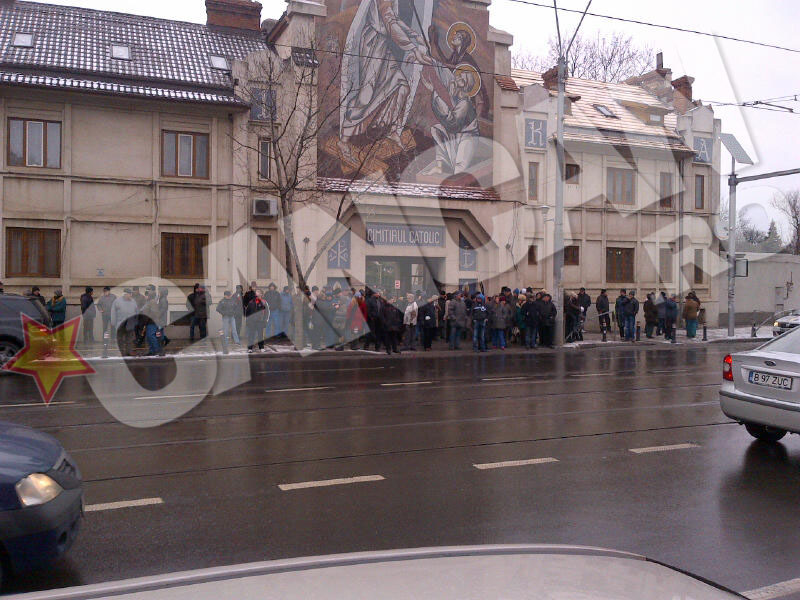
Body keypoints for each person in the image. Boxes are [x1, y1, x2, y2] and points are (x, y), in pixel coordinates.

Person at [110, 288, 139, 356]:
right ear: (124, 294)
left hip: (130, 324)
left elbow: (137, 312)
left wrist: (136, 322)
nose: (130, 295)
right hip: (120, 324)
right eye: (128, 294)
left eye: (130, 294)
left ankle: (128, 351)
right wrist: (113, 323)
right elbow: (113, 312)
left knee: (129, 339)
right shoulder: (117, 301)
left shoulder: (133, 301)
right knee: (120, 339)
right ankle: (121, 351)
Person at [141, 290, 162, 356]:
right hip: (148, 322)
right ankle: (151, 350)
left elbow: (154, 313)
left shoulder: (152, 302)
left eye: (146, 295)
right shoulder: (148, 302)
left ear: (150, 296)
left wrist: (148, 318)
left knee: (151, 336)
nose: (145, 296)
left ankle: (156, 350)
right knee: (149, 337)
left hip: (151, 322)